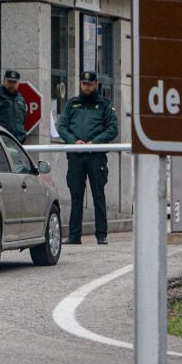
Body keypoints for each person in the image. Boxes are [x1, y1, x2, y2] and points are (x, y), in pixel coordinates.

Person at [57, 70, 118, 245]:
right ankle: (74, 236)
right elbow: (62, 127)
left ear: (96, 85)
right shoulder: (72, 104)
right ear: (80, 84)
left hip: (96, 156)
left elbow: (113, 129)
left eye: (90, 84)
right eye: (84, 84)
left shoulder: (105, 105)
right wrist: (73, 141)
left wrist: (94, 143)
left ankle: (101, 235)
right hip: (76, 156)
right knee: (76, 196)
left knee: (98, 195)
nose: (87, 87)